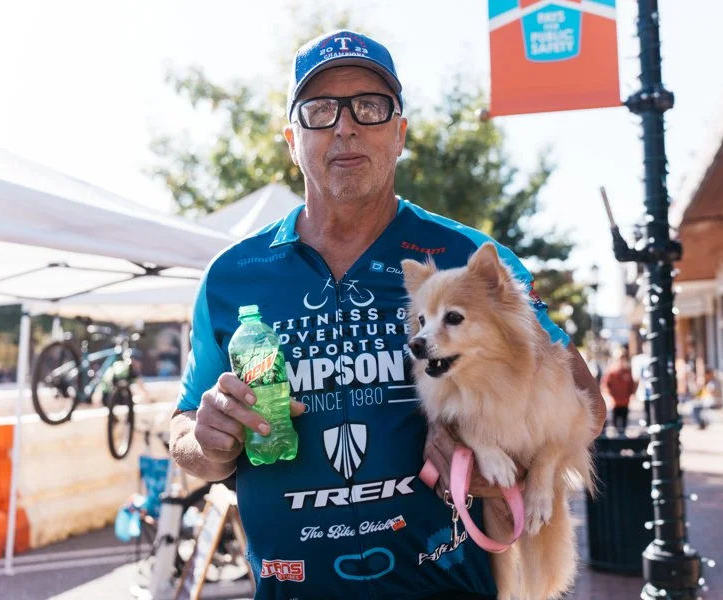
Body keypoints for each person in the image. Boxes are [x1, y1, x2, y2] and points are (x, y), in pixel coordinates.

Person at [169, 29, 606, 599]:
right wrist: (208, 441)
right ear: (291, 138)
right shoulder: (232, 276)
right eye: (320, 110)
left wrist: (503, 465)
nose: (345, 126)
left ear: (400, 133)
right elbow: (185, 430)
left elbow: (585, 403)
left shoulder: (466, 262)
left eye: (370, 108)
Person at [601, 348, 635, 435]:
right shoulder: (612, 373)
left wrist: (631, 395)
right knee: (615, 423)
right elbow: (605, 385)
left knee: (624, 423)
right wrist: (610, 396)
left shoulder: (627, 372)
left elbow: (631, 386)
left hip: (625, 402)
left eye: (623, 359)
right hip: (615, 403)